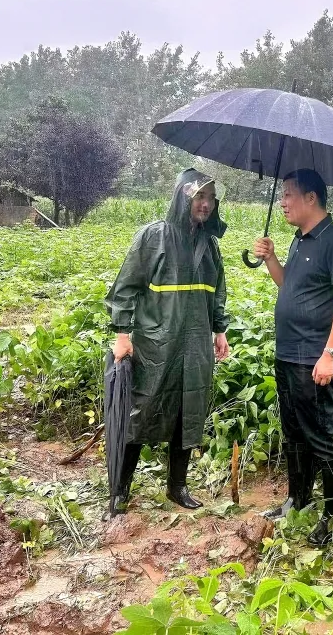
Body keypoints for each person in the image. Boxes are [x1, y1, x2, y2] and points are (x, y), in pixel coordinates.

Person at [103, 168, 231, 518]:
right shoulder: (153, 237)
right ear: (183, 197)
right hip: (156, 344)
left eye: (210, 198)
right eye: (200, 196)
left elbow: (217, 291)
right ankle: (120, 489)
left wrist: (219, 330)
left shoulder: (209, 245)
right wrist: (122, 335)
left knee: (189, 411)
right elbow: (125, 287)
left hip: (196, 344)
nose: (206, 204)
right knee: (140, 412)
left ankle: (177, 486)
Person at [252, 168, 333, 547]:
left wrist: (329, 355)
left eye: (289, 195)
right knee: (294, 432)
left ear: (311, 198)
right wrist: (271, 259)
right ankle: (297, 500)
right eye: (281, 195)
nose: (282, 202)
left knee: (324, 436)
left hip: (314, 358)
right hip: (288, 353)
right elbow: (289, 285)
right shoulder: (300, 239)